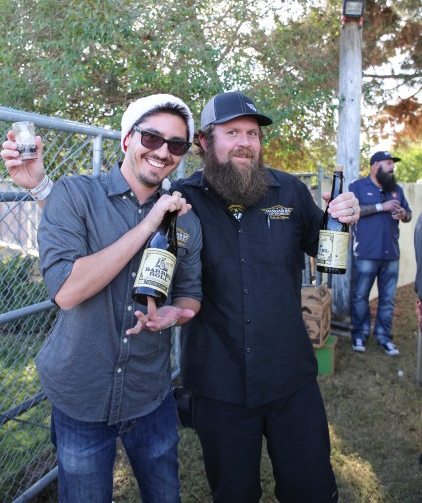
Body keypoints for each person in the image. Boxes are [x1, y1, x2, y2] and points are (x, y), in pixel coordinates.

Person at [2, 91, 360, 503]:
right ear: (205, 142)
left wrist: (345, 218)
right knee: (234, 493)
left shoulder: (290, 192)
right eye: (232, 133)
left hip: (289, 375)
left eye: (253, 134)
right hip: (217, 382)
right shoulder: (180, 202)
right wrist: (41, 187)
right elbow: (96, 217)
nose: (245, 142)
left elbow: (326, 248)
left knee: (313, 490)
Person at [2, 94, 203, 503]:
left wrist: (176, 315)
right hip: (81, 391)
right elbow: (66, 291)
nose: (163, 151)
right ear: (128, 139)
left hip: (150, 391)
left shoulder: (187, 220)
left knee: (165, 495)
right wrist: (150, 223)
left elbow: (190, 294)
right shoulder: (75, 195)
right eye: (152, 137)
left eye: (176, 144)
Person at [349, 151, 412, 356]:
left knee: (388, 300)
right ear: (375, 165)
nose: (392, 167)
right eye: (388, 163)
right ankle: (360, 334)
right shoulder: (357, 187)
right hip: (366, 253)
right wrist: (381, 206)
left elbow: (409, 214)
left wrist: (403, 214)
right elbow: (353, 212)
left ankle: (384, 337)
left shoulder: (396, 189)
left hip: (391, 254)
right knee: (360, 297)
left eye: (392, 164)